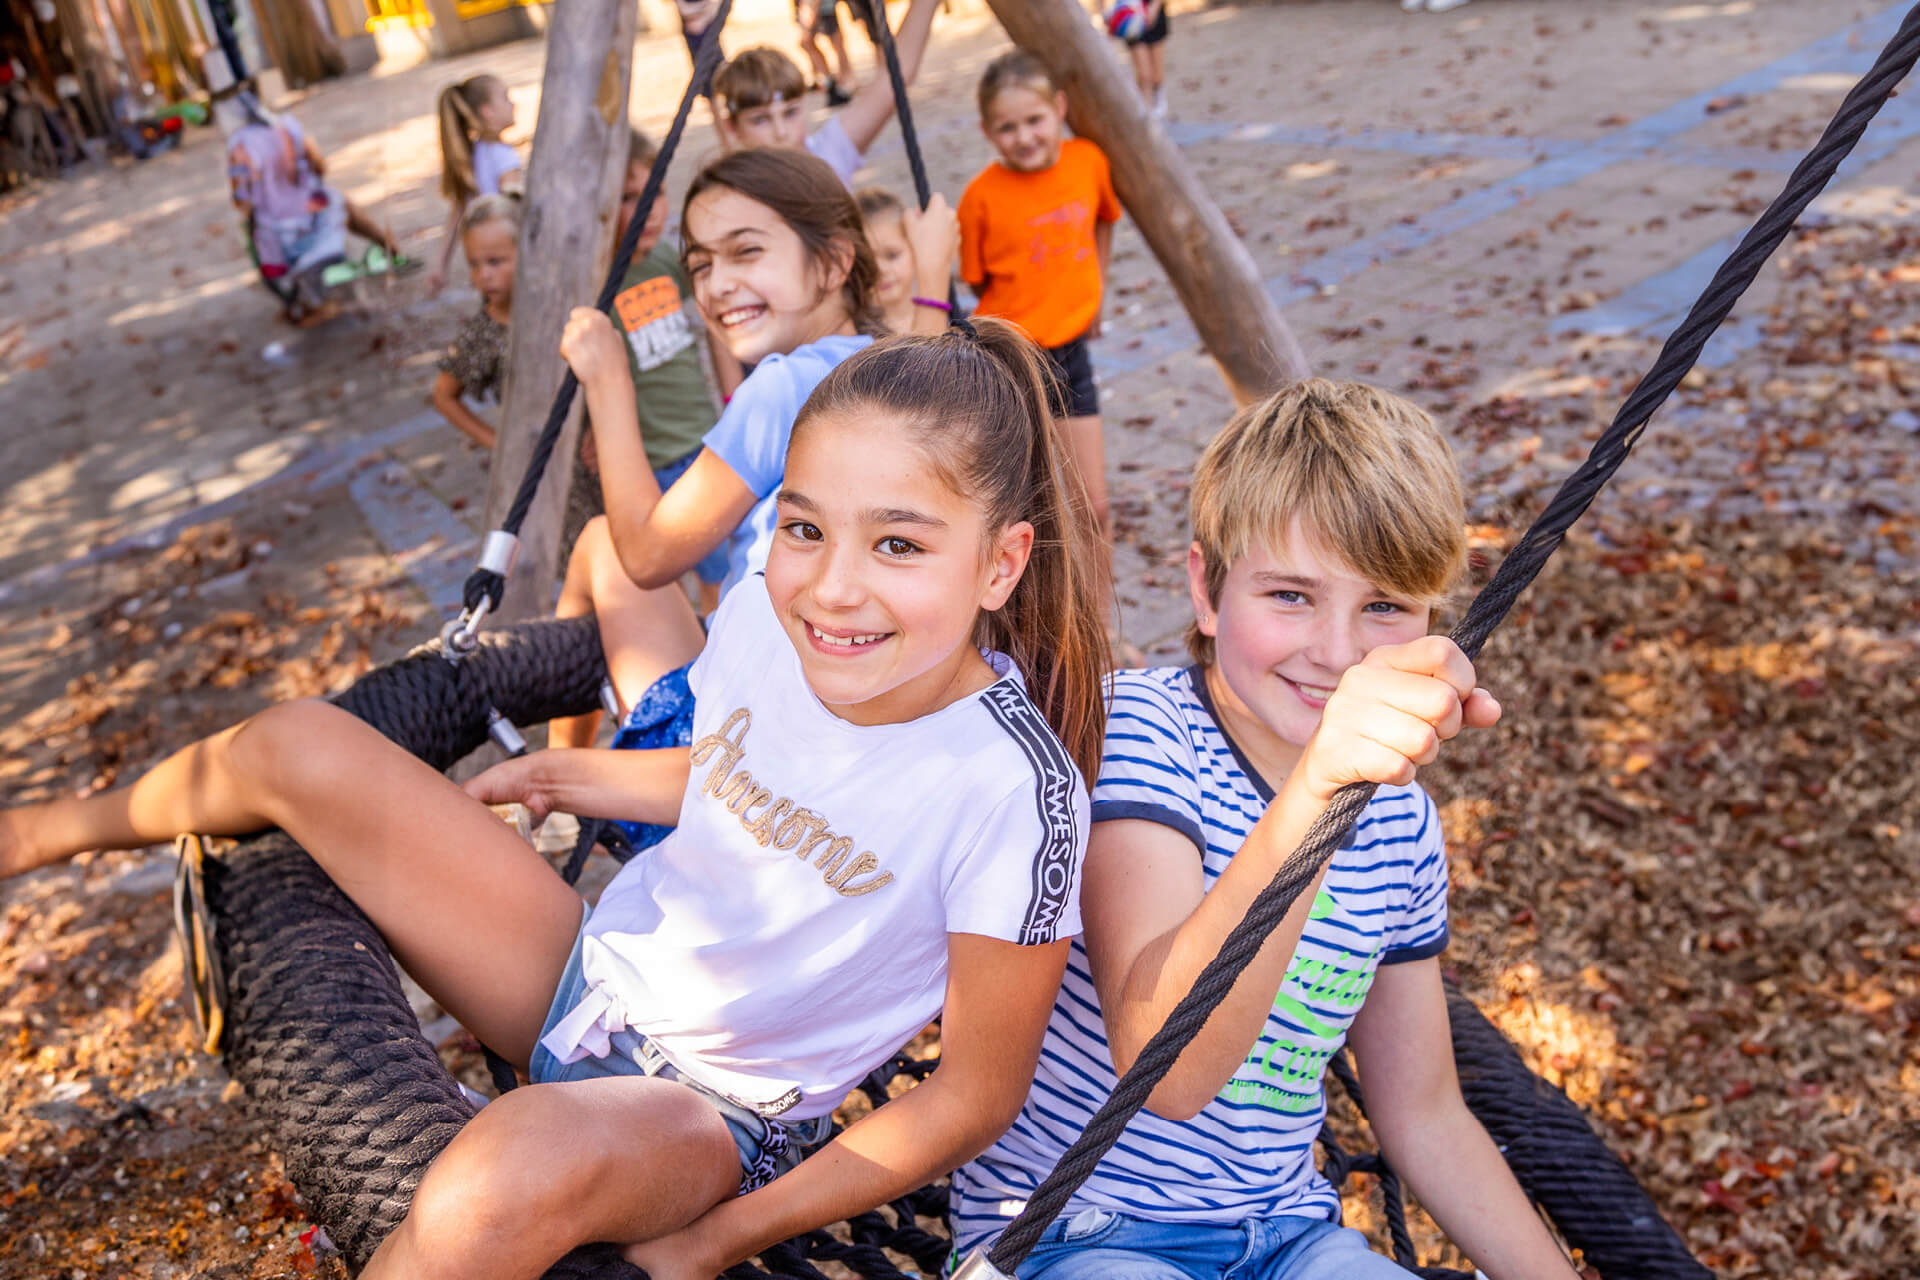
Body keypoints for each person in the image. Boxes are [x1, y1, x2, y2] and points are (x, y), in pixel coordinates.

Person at [0, 321, 1113, 1280]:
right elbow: (750, 788)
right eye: (805, 525)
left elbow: (971, 1094)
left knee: (495, 1176)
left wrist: (723, 1236)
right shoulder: (769, 625)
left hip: (713, 1113)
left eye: (901, 544)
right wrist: (571, 773)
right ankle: (43, 832)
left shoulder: (1013, 790)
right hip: (587, 970)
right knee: (300, 744)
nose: (833, 584)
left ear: (1002, 563)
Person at [951, 380, 1583, 1280]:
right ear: (1206, 592)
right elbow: (1165, 1070)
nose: (1336, 650)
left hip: (1286, 1238)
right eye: (1290, 595)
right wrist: (1320, 789)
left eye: (1385, 607)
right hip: (1073, 1232)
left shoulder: (1400, 823)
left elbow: (1425, 1113)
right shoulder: (1136, 733)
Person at [543, 148, 954, 769]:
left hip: (740, 753)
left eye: (746, 252)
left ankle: (561, 786)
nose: (716, 284)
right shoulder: (885, 360)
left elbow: (650, 556)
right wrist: (933, 283)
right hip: (837, 711)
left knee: (603, 544)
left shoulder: (784, 387)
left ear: (835, 261)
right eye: (700, 264)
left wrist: (607, 380)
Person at [959, 51, 1121, 538]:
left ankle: (1098, 615)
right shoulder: (980, 197)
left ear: (1060, 109)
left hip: (1071, 353)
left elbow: (1104, 221)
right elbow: (977, 279)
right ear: (987, 132)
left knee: (1093, 507)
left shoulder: (1088, 162)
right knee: (1028, 514)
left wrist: (1096, 291)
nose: (1025, 137)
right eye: (1008, 128)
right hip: (1011, 359)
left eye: (1035, 120)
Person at [590, 128, 734, 609]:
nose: (650, 211)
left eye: (657, 193)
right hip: (651, 457)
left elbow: (716, 322)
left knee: (723, 568)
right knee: (677, 576)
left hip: (704, 438)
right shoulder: (595, 284)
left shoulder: (667, 260)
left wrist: (732, 397)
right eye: (632, 198)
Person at [710, 0, 935, 191]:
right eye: (760, 119)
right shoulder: (730, 193)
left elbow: (895, 78)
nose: (781, 132)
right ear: (731, 127)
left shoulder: (826, 155)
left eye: (790, 113)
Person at [219, 87, 403, 320]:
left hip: (276, 230)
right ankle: (391, 248)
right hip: (314, 209)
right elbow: (318, 165)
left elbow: (241, 200)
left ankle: (294, 299)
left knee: (258, 240)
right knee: (341, 203)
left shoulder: (239, 146)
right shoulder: (286, 126)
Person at [431, 194, 520, 451]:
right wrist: (500, 445)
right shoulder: (483, 333)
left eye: (495, 262)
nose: (484, 275)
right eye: (474, 265)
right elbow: (444, 396)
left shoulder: (558, 303)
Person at [429, 74, 522, 294]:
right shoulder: (505, 158)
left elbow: (456, 214)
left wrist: (441, 265)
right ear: (487, 111)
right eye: (506, 98)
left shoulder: (471, 155)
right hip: (506, 256)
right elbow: (513, 209)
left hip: (482, 258)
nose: (513, 104)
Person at [856, 186, 939, 336]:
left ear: (914, 248)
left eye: (892, 255)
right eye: (867, 260)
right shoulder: (856, 336)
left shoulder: (948, 315)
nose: (881, 269)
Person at [1117, 0, 1171, 121]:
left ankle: (1159, 98)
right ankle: (1146, 113)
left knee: (1157, 76)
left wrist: (1153, 8)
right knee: (1144, 74)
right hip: (1132, 17)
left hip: (1155, 17)